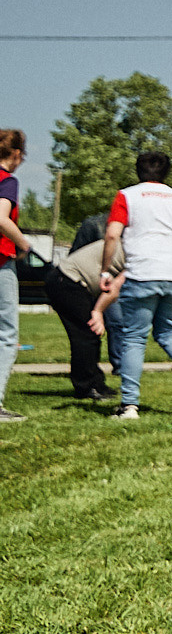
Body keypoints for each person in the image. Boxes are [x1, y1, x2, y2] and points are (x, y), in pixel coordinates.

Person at [100, 150, 172, 420]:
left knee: (134, 337)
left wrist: (106, 270)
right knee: (167, 331)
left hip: (142, 272)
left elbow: (112, 234)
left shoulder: (127, 196)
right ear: (167, 173)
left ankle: (129, 405)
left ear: (138, 171)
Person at [47, 211, 113, 401]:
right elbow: (116, 288)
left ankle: (96, 383)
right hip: (66, 282)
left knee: (91, 334)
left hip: (76, 284)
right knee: (85, 334)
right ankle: (85, 387)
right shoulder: (134, 249)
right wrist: (98, 311)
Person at [0, 128, 23, 422]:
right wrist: (23, 243)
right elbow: (1, 219)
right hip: (1, 261)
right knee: (6, 334)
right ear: (16, 154)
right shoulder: (7, 181)